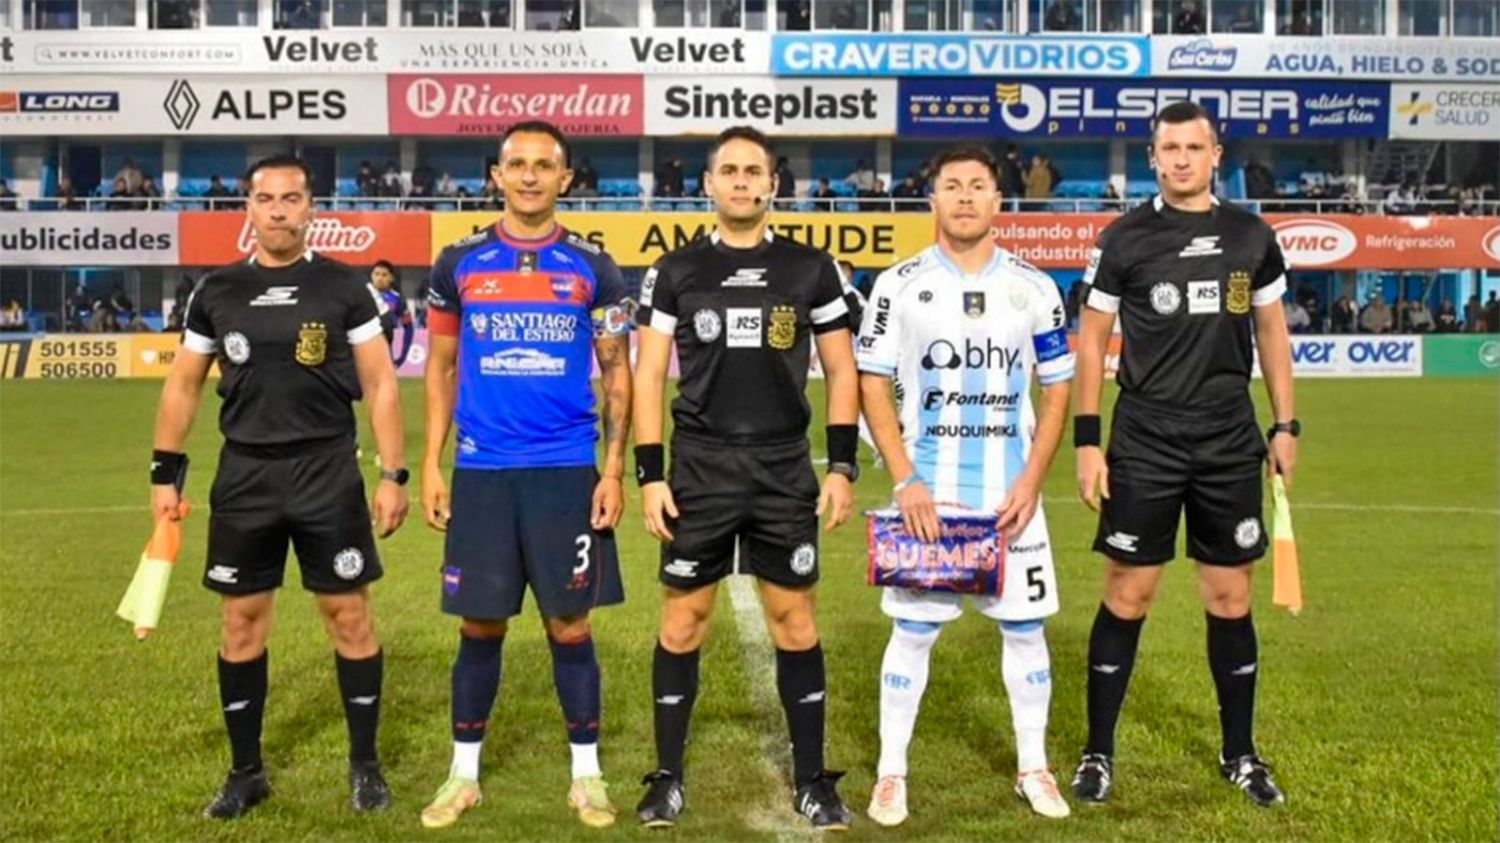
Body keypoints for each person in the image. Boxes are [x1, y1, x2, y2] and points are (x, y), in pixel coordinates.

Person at [151, 154, 408, 819]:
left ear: (311, 207)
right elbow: (183, 385)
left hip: (327, 471)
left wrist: (393, 474)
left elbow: (380, 382)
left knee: (349, 614)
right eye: (266, 199)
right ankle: (246, 773)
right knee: (241, 621)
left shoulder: (344, 287)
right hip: (246, 476)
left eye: (291, 198)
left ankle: (365, 764)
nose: (279, 210)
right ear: (248, 208)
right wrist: (163, 471)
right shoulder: (217, 290)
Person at [632, 125, 860, 830]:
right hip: (700, 467)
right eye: (727, 170)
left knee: (795, 621)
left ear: (772, 185)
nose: (740, 181)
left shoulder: (811, 268)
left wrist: (842, 465)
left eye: (752, 171)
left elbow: (842, 369)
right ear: (708, 184)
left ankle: (813, 779)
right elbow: (648, 373)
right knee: (682, 621)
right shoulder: (675, 269)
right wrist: (650, 474)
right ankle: (667, 777)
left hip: (782, 467)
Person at [1071, 101, 1296, 808]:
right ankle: (1098, 751)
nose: (1181, 159)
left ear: (1215, 154)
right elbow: (1091, 341)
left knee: (1230, 596)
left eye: (1193, 147)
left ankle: (1240, 752)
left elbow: (1272, 332)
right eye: (1169, 148)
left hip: (1228, 437)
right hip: (1145, 436)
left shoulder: (1252, 236)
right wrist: (1087, 441)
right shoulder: (1124, 239)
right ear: (1153, 157)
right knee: (1127, 592)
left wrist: (1285, 424)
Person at [417, 121, 634, 830]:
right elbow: (440, 368)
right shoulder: (458, 263)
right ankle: (463, 776)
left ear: (566, 179)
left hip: (566, 471)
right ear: (497, 175)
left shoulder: (595, 269)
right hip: (482, 470)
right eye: (518, 164)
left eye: (545, 165)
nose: (531, 176)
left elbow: (617, 372)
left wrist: (612, 471)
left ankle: (586, 776)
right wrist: (432, 464)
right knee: (479, 623)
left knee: (569, 625)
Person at [856, 145, 1075, 826]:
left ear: (998, 200)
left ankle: (1033, 766)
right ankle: (891, 773)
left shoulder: (1036, 287)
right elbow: (871, 383)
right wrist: (905, 479)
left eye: (978, 185)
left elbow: (1058, 387)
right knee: (913, 631)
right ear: (934, 200)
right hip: (931, 496)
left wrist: (1033, 480)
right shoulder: (898, 284)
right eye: (951, 185)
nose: (965, 196)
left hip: (1011, 498)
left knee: (1026, 630)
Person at [369, 260, 414, 367]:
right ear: (371, 276)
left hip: (385, 352)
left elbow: (409, 327)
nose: (379, 278)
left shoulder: (397, 299)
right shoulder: (362, 296)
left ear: (391, 278)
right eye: (376, 274)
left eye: (384, 275)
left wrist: (403, 356)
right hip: (363, 350)